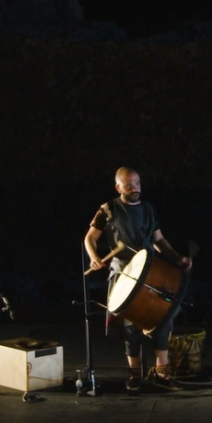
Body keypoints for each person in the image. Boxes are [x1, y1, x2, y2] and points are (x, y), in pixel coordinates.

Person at [84, 167, 192, 392]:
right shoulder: (108, 209)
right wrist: (94, 257)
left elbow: (158, 240)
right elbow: (89, 238)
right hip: (123, 272)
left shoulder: (147, 209)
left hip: (150, 269)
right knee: (130, 325)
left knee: (163, 316)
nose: (135, 189)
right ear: (118, 187)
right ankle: (134, 374)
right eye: (129, 185)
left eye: (137, 183)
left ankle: (162, 372)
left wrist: (177, 258)